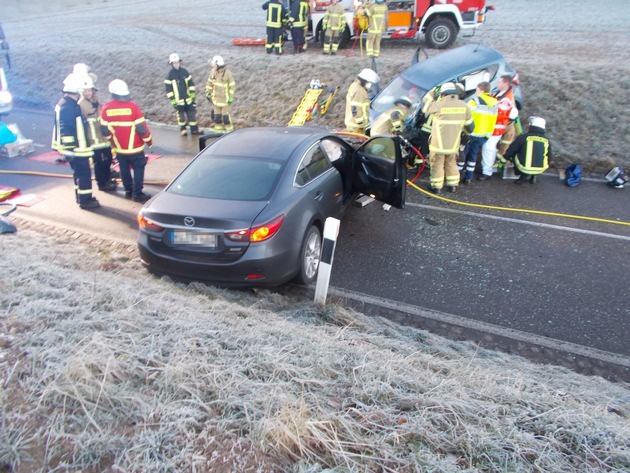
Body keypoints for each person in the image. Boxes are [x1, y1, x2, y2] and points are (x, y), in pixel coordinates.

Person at [100, 79, 153, 203]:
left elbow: (104, 129)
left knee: (124, 170)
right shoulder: (132, 107)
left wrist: (111, 141)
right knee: (139, 169)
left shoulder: (106, 108)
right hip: (136, 148)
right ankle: (137, 193)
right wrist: (149, 141)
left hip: (119, 148)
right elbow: (141, 128)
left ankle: (129, 190)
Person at [52, 74, 99, 210]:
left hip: (76, 148)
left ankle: (81, 197)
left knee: (79, 174)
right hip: (77, 149)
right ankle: (85, 201)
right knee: (84, 174)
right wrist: (70, 149)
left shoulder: (67, 104)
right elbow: (66, 128)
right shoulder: (68, 106)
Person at [423, 82, 474, 194]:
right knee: (451, 163)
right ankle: (452, 185)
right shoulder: (464, 106)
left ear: (443, 94)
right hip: (453, 145)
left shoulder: (438, 105)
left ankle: (436, 187)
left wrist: (431, 92)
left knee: (437, 164)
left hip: (438, 145)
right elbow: (470, 128)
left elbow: (425, 107)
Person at [77, 74, 117, 192]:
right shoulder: (80, 104)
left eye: (89, 90)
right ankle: (102, 183)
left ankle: (108, 179)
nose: (88, 92)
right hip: (93, 138)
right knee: (99, 162)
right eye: (86, 91)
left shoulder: (96, 100)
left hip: (103, 137)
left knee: (108, 159)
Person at [479, 74, 517, 180]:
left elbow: (498, 114)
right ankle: (486, 168)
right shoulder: (502, 94)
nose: (498, 84)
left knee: (489, 148)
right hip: (493, 127)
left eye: (500, 82)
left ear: (506, 83)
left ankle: (487, 172)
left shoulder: (506, 99)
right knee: (488, 148)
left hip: (495, 128)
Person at [459, 81, 498, 184]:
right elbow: (493, 121)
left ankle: (457, 175)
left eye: (477, 90)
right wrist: (487, 136)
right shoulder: (494, 103)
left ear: (481, 90)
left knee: (462, 155)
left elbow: (465, 117)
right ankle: (468, 178)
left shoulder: (474, 101)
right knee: (473, 156)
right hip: (482, 135)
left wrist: (462, 132)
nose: (476, 92)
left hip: (470, 134)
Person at [504, 116, 551, 184]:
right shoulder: (547, 140)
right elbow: (549, 156)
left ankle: (521, 177)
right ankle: (533, 176)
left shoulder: (523, 137)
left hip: (524, 168)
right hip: (540, 169)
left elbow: (511, 151)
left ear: (531, 126)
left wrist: (506, 158)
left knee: (515, 153)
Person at [164, 53, 200, 136]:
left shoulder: (184, 72)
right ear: (171, 64)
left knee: (192, 115)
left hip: (188, 99)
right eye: (174, 63)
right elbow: (168, 89)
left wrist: (192, 94)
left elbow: (191, 84)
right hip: (178, 101)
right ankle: (183, 130)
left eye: (177, 62)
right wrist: (172, 100)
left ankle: (194, 130)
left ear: (179, 62)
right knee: (181, 117)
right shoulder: (170, 75)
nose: (176, 64)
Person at [205, 55, 236, 132]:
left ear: (218, 65)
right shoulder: (212, 72)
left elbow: (232, 86)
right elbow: (209, 83)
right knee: (217, 118)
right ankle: (218, 133)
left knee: (226, 119)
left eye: (214, 64)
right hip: (216, 99)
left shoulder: (227, 73)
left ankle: (229, 132)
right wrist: (208, 93)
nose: (213, 66)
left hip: (225, 100)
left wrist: (231, 97)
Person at [344, 68, 379, 134]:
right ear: (364, 81)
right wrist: (361, 125)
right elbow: (356, 110)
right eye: (369, 82)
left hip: (352, 124)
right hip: (356, 127)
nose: (370, 84)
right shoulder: (359, 91)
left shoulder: (354, 86)